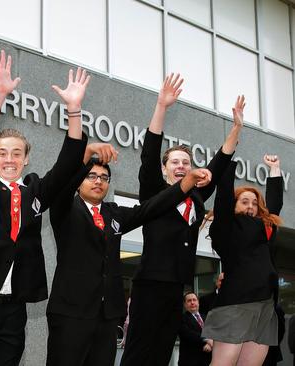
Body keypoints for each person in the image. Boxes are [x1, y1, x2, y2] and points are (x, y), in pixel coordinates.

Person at [0, 54, 89, 366]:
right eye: (2, 153)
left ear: (27, 158)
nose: (9, 159)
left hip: (13, 310)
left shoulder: (37, 192)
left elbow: (69, 161)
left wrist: (73, 109)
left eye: (17, 153)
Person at [47, 145, 212, 366]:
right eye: (91, 176)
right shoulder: (66, 209)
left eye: (104, 177)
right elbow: (63, 183)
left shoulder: (114, 213)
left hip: (107, 316)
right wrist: (84, 154)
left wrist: (187, 182)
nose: (98, 181)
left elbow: (153, 206)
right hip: (71, 312)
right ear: (79, 182)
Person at [120, 75, 242, 366]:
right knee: (138, 351)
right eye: (174, 162)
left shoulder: (197, 198)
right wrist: (161, 106)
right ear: (165, 170)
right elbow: (149, 154)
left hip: (177, 287)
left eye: (185, 163)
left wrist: (236, 128)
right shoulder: (154, 190)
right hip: (150, 283)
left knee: (162, 352)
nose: (181, 166)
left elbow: (220, 162)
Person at [203, 154, 284, 366]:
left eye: (255, 203)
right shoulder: (226, 227)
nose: (250, 206)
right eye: (244, 201)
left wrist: (275, 169)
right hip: (236, 304)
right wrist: (229, 162)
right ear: (234, 204)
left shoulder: (264, 229)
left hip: (265, 305)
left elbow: (274, 205)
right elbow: (223, 198)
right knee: (223, 363)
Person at [178, 292, 212, 366]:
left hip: (207, 360)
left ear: (198, 302)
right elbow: (187, 333)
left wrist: (209, 344)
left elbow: (214, 332)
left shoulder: (207, 317)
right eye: (189, 301)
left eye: (194, 300)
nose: (192, 302)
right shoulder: (181, 318)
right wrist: (206, 340)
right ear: (185, 305)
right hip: (190, 361)